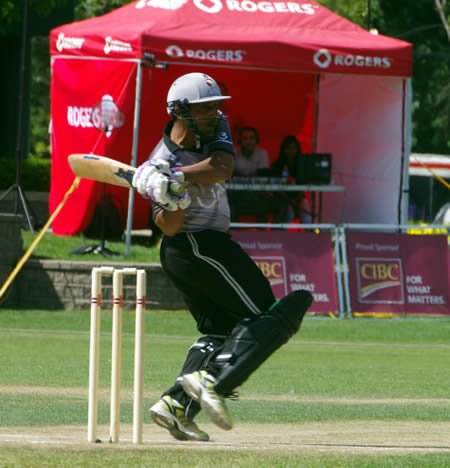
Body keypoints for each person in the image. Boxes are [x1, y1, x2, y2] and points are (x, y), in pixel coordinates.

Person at [132, 72, 313, 442]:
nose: (216, 114)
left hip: (204, 245)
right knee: (267, 315)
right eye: (206, 109)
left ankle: (175, 405)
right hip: (195, 244)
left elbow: (223, 167)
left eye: (216, 107)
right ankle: (211, 380)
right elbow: (167, 227)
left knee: (220, 330)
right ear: (181, 112)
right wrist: (171, 198)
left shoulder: (211, 132)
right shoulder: (160, 160)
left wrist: (178, 176)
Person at [271, 135, 312, 224]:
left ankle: (310, 235)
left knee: (307, 215)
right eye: (288, 148)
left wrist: (298, 201)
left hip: (299, 197)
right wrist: (290, 202)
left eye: (294, 148)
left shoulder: (302, 166)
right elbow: (276, 187)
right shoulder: (277, 165)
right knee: (288, 213)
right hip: (282, 199)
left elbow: (304, 185)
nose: (291, 151)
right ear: (283, 150)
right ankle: (283, 236)